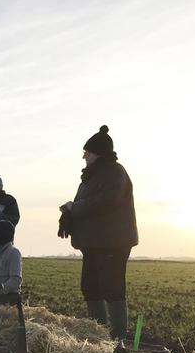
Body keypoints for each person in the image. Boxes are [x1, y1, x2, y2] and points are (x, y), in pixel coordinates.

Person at [58, 125, 138, 340]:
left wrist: (75, 208)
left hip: (113, 241)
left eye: (88, 152)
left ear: (98, 153)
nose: (84, 155)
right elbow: (86, 203)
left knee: (112, 290)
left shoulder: (115, 172)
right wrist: (69, 214)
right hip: (93, 242)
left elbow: (105, 202)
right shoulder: (91, 176)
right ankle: (98, 336)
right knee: (90, 287)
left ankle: (118, 339)